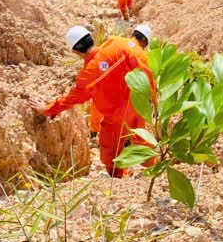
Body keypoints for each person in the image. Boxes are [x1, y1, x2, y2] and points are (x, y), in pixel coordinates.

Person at [39, 24, 155, 177]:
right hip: (136, 105)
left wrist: (47, 109)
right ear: (91, 38)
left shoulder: (86, 76)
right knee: (142, 140)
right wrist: (151, 95)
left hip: (115, 117)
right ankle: (153, 171)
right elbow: (142, 63)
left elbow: (70, 99)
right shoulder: (117, 43)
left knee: (110, 153)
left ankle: (119, 178)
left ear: (75, 51)